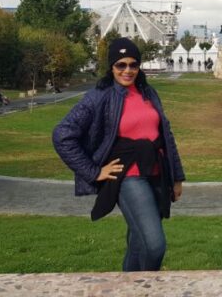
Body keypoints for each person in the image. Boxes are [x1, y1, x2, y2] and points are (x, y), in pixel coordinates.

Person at [52, 37, 185, 272]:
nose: (128, 70)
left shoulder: (148, 92)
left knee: (137, 243)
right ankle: (148, 287)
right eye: (121, 65)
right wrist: (93, 172)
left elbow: (166, 134)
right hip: (129, 178)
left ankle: (129, 288)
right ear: (111, 67)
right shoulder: (99, 96)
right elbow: (62, 135)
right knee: (155, 245)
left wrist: (177, 176)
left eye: (133, 65)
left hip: (156, 173)